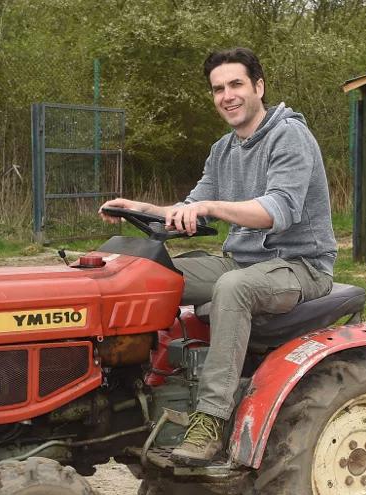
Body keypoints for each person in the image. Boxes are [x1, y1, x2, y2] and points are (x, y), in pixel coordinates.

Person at [100, 47, 336, 466]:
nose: (227, 95)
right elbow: (189, 209)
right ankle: (117, 389)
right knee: (141, 273)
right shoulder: (223, 149)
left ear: (258, 87)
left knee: (233, 289)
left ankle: (210, 420)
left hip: (300, 266)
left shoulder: (290, 136)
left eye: (236, 84)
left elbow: (276, 211)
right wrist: (140, 209)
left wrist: (210, 208)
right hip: (243, 261)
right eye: (217, 89)